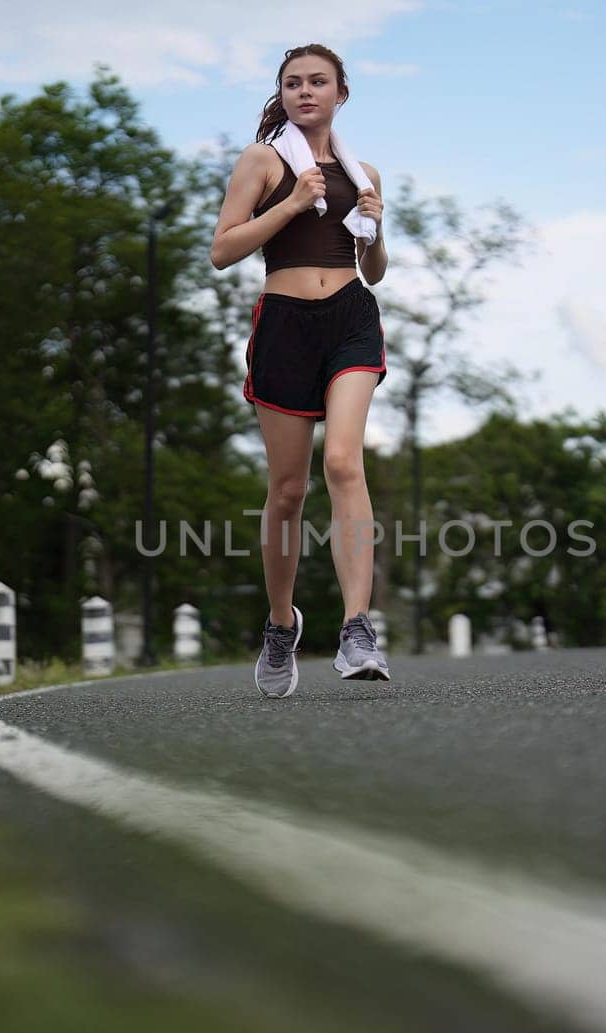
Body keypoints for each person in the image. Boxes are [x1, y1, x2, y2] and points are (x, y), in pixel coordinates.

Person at [210, 43, 391, 698]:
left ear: (341, 93)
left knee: (343, 462)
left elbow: (373, 269)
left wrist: (377, 225)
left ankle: (355, 628)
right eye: (293, 83)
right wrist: (289, 205)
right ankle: (282, 624)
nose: (305, 91)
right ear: (282, 95)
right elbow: (222, 250)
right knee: (288, 490)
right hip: (284, 324)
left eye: (318, 82)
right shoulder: (263, 161)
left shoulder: (362, 170)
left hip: (349, 318)